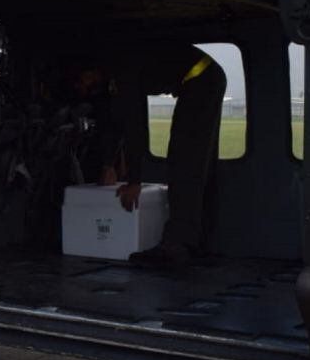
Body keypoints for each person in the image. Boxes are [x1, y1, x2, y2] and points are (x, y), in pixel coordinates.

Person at [88, 44, 227, 265]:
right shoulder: (117, 71)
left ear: (93, 70)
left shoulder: (122, 70)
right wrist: (108, 164)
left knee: (185, 162)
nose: (85, 86)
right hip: (204, 78)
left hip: (200, 78)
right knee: (197, 163)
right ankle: (195, 243)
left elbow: (135, 127)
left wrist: (134, 181)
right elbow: (117, 122)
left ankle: (176, 247)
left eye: (83, 80)